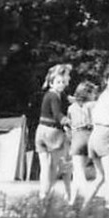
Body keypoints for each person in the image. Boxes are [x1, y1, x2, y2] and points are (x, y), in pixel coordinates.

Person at [84, 66, 109, 209]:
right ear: (106, 80)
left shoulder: (103, 96)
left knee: (100, 176)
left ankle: (84, 206)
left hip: (95, 136)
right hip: (105, 135)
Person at [34, 64, 73, 202]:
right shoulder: (55, 97)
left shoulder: (52, 94)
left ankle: (42, 194)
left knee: (44, 167)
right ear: (51, 82)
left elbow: (67, 98)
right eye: (59, 82)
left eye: (63, 82)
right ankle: (48, 192)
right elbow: (57, 114)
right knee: (54, 167)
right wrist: (68, 122)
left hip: (40, 131)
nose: (61, 85)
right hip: (53, 133)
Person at [65, 79, 97, 208]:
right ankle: (71, 200)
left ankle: (87, 198)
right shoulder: (93, 105)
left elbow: (68, 126)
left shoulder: (71, 107)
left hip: (77, 137)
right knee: (78, 171)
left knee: (78, 172)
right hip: (90, 136)